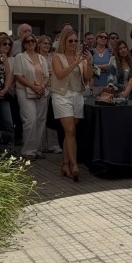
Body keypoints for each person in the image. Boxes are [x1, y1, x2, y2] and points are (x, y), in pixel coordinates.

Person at [50, 29, 93, 182]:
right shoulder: (57, 57)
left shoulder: (80, 57)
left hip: (77, 95)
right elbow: (60, 74)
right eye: (70, 41)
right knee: (70, 130)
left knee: (71, 133)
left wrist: (89, 62)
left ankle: (65, 164)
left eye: (75, 41)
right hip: (61, 95)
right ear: (64, 41)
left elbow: (87, 78)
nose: (73, 43)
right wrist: (75, 62)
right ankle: (74, 165)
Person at [13, 34, 50, 160]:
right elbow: (18, 76)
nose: (30, 43)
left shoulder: (41, 58)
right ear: (24, 44)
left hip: (41, 92)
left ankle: (37, 149)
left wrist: (42, 86)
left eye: (32, 41)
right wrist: (34, 87)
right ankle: (28, 151)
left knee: (40, 121)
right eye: (27, 41)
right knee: (30, 120)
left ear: (36, 43)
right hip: (25, 91)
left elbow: (46, 76)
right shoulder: (20, 57)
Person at [36, 35, 63, 154]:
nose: (47, 45)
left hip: (54, 89)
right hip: (41, 89)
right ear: (39, 44)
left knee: (53, 117)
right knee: (41, 117)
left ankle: (54, 144)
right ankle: (40, 145)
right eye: (44, 43)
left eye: (48, 43)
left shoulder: (53, 57)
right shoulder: (36, 57)